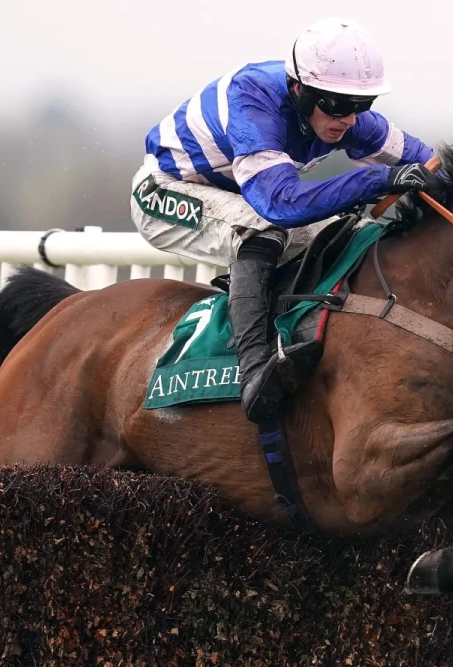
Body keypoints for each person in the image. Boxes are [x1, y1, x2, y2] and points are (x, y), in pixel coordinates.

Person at [130, 17, 437, 423]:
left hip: (242, 195)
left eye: (361, 106)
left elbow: (428, 162)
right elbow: (278, 203)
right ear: (299, 90)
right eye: (336, 105)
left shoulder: (341, 114)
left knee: (352, 233)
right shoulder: (252, 98)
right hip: (164, 190)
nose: (348, 118)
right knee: (263, 229)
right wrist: (378, 180)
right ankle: (254, 372)